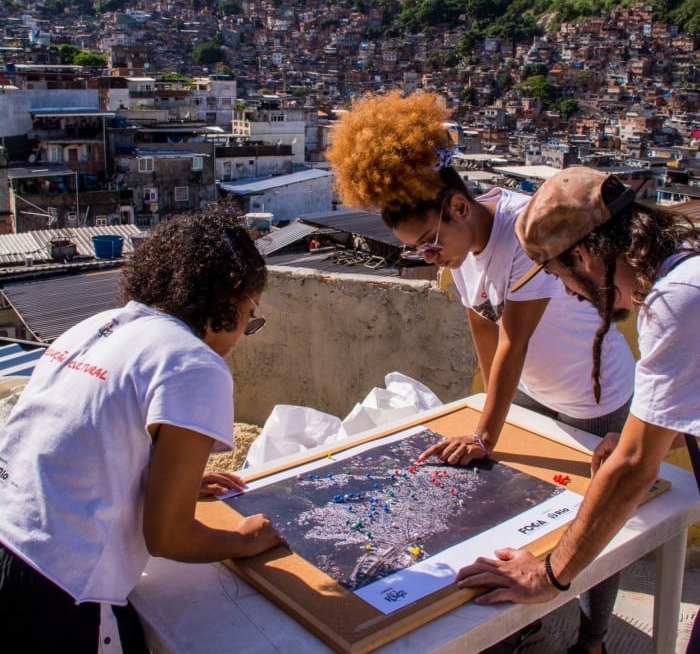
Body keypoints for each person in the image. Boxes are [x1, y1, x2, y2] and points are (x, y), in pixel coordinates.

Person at [327, 92, 636, 654]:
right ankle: (528, 617)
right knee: (526, 509)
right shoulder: (461, 250)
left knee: (594, 521)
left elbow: (513, 343)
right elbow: (485, 337)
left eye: (428, 243)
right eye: (417, 252)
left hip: (597, 396)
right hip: (537, 395)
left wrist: (484, 433)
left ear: (460, 209)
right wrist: (491, 420)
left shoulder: (523, 232)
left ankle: (592, 641)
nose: (430, 257)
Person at [0, 207, 286, 654]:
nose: (243, 333)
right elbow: (168, 537)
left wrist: (167, 483)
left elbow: (79, 452)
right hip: (56, 588)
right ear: (230, 299)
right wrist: (243, 541)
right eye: (252, 316)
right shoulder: (194, 362)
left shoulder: (91, 329)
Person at [454, 165, 700, 654]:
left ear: (585, 256)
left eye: (562, 278)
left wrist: (550, 576)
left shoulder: (677, 303)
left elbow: (632, 469)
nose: (568, 294)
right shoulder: (685, 278)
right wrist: (643, 435)